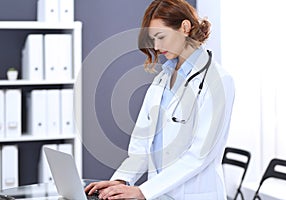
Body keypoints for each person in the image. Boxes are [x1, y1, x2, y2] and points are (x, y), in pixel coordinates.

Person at [85, 0, 235, 199]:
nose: (155, 46)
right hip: (161, 195)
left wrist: (143, 191)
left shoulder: (219, 81)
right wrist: (120, 181)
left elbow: (199, 155)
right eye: (152, 39)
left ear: (184, 27)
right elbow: (142, 144)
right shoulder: (162, 79)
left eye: (161, 37)